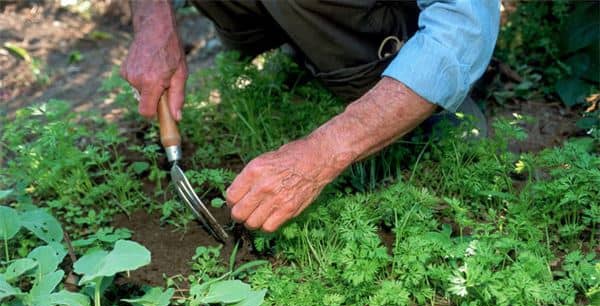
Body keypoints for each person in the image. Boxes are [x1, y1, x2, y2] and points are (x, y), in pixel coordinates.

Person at [121, 0, 500, 233]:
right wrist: (154, 23)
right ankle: (303, 49)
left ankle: (401, 85)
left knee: (454, 133)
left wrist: (321, 153)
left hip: (402, 20)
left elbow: (460, 30)